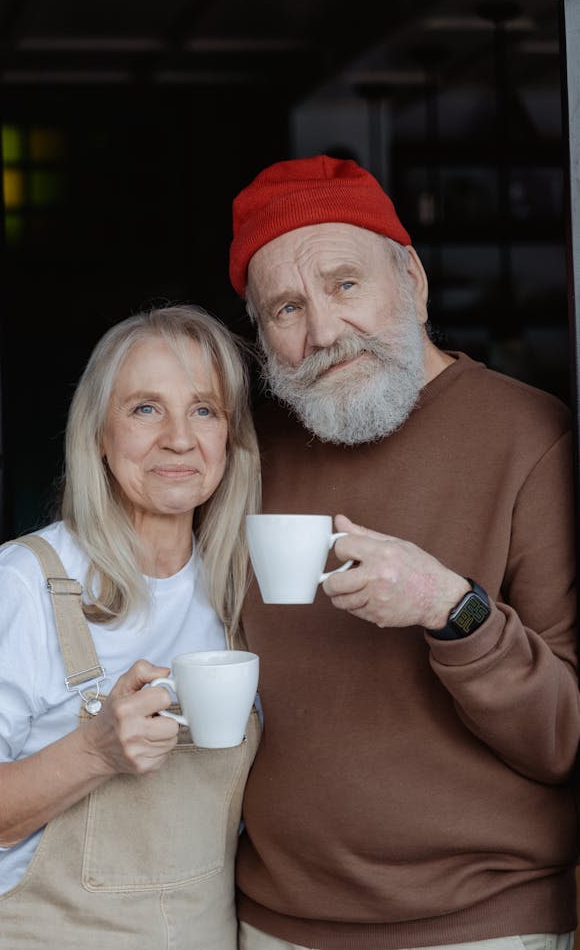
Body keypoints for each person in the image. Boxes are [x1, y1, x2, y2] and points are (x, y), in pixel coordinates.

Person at [227, 154, 579, 950]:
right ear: (261, 336)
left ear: (411, 280)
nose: (322, 330)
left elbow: (566, 739)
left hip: (481, 928)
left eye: (345, 284)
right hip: (273, 924)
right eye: (286, 307)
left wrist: (454, 610)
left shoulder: (531, 438)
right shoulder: (245, 452)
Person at [0, 303, 262, 950]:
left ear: (230, 439)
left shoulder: (241, 590)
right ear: (99, 433)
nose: (180, 438)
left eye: (204, 409)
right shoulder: (26, 584)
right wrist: (94, 751)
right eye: (145, 408)